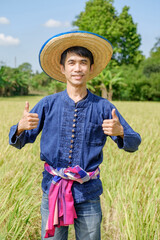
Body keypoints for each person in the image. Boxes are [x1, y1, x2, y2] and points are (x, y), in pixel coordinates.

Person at [9, 31, 141, 240]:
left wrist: (121, 132)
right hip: (52, 191)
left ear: (90, 68)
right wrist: (20, 127)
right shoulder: (47, 104)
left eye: (83, 62)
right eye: (71, 62)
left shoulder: (104, 107)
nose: (77, 68)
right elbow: (19, 141)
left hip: (88, 195)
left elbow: (134, 143)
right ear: (62, 68)